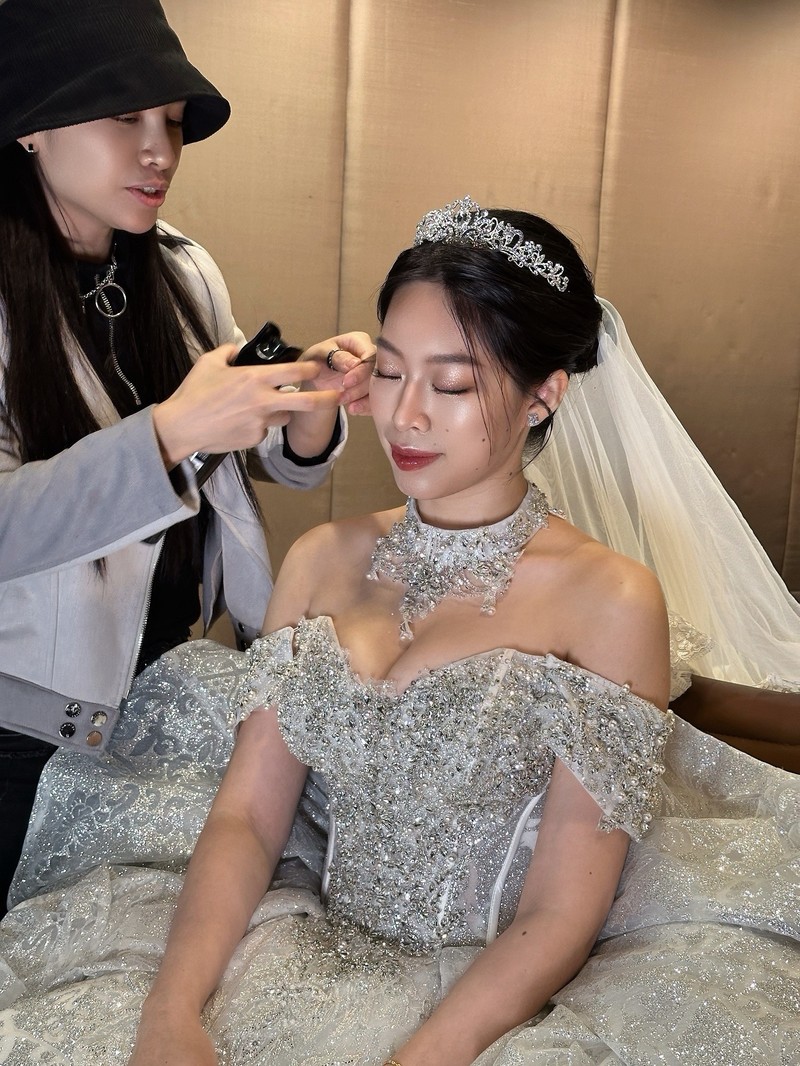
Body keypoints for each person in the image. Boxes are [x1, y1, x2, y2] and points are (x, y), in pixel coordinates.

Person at [0, 198, 798, 1064]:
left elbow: (560, 912)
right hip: (296, 952)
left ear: (543, 396)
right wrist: (172, 1011)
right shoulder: (321, 558)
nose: (406, 415)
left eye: (451, 384)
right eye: (388, 371)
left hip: (487, 1001)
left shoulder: (612, 599)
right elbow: (246, 821)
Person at [0, 0, 374, 910]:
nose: (159, 150)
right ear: (31, 126)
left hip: (175, 689)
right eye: (125, 116)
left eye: (170, 121)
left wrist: (306, 409)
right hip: (29, 734)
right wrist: (170, 431)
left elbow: (245, 462)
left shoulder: (180, 269)